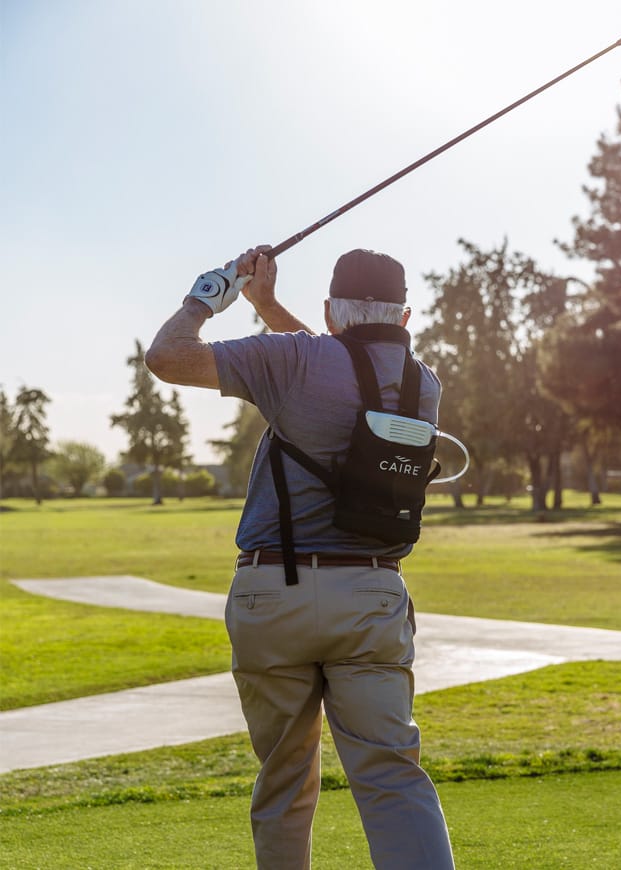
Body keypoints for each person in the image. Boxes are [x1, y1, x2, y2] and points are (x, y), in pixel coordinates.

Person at [145, 246, 455, 870]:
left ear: (329, 312)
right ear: (406, 315)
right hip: (370, 597)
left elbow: (167, 357)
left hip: (273, 594)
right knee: (393, 778)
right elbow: (346, 365)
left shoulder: (296, 358)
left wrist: (209, 296)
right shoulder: (424, 383)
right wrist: (267, 306)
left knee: (285, 783)